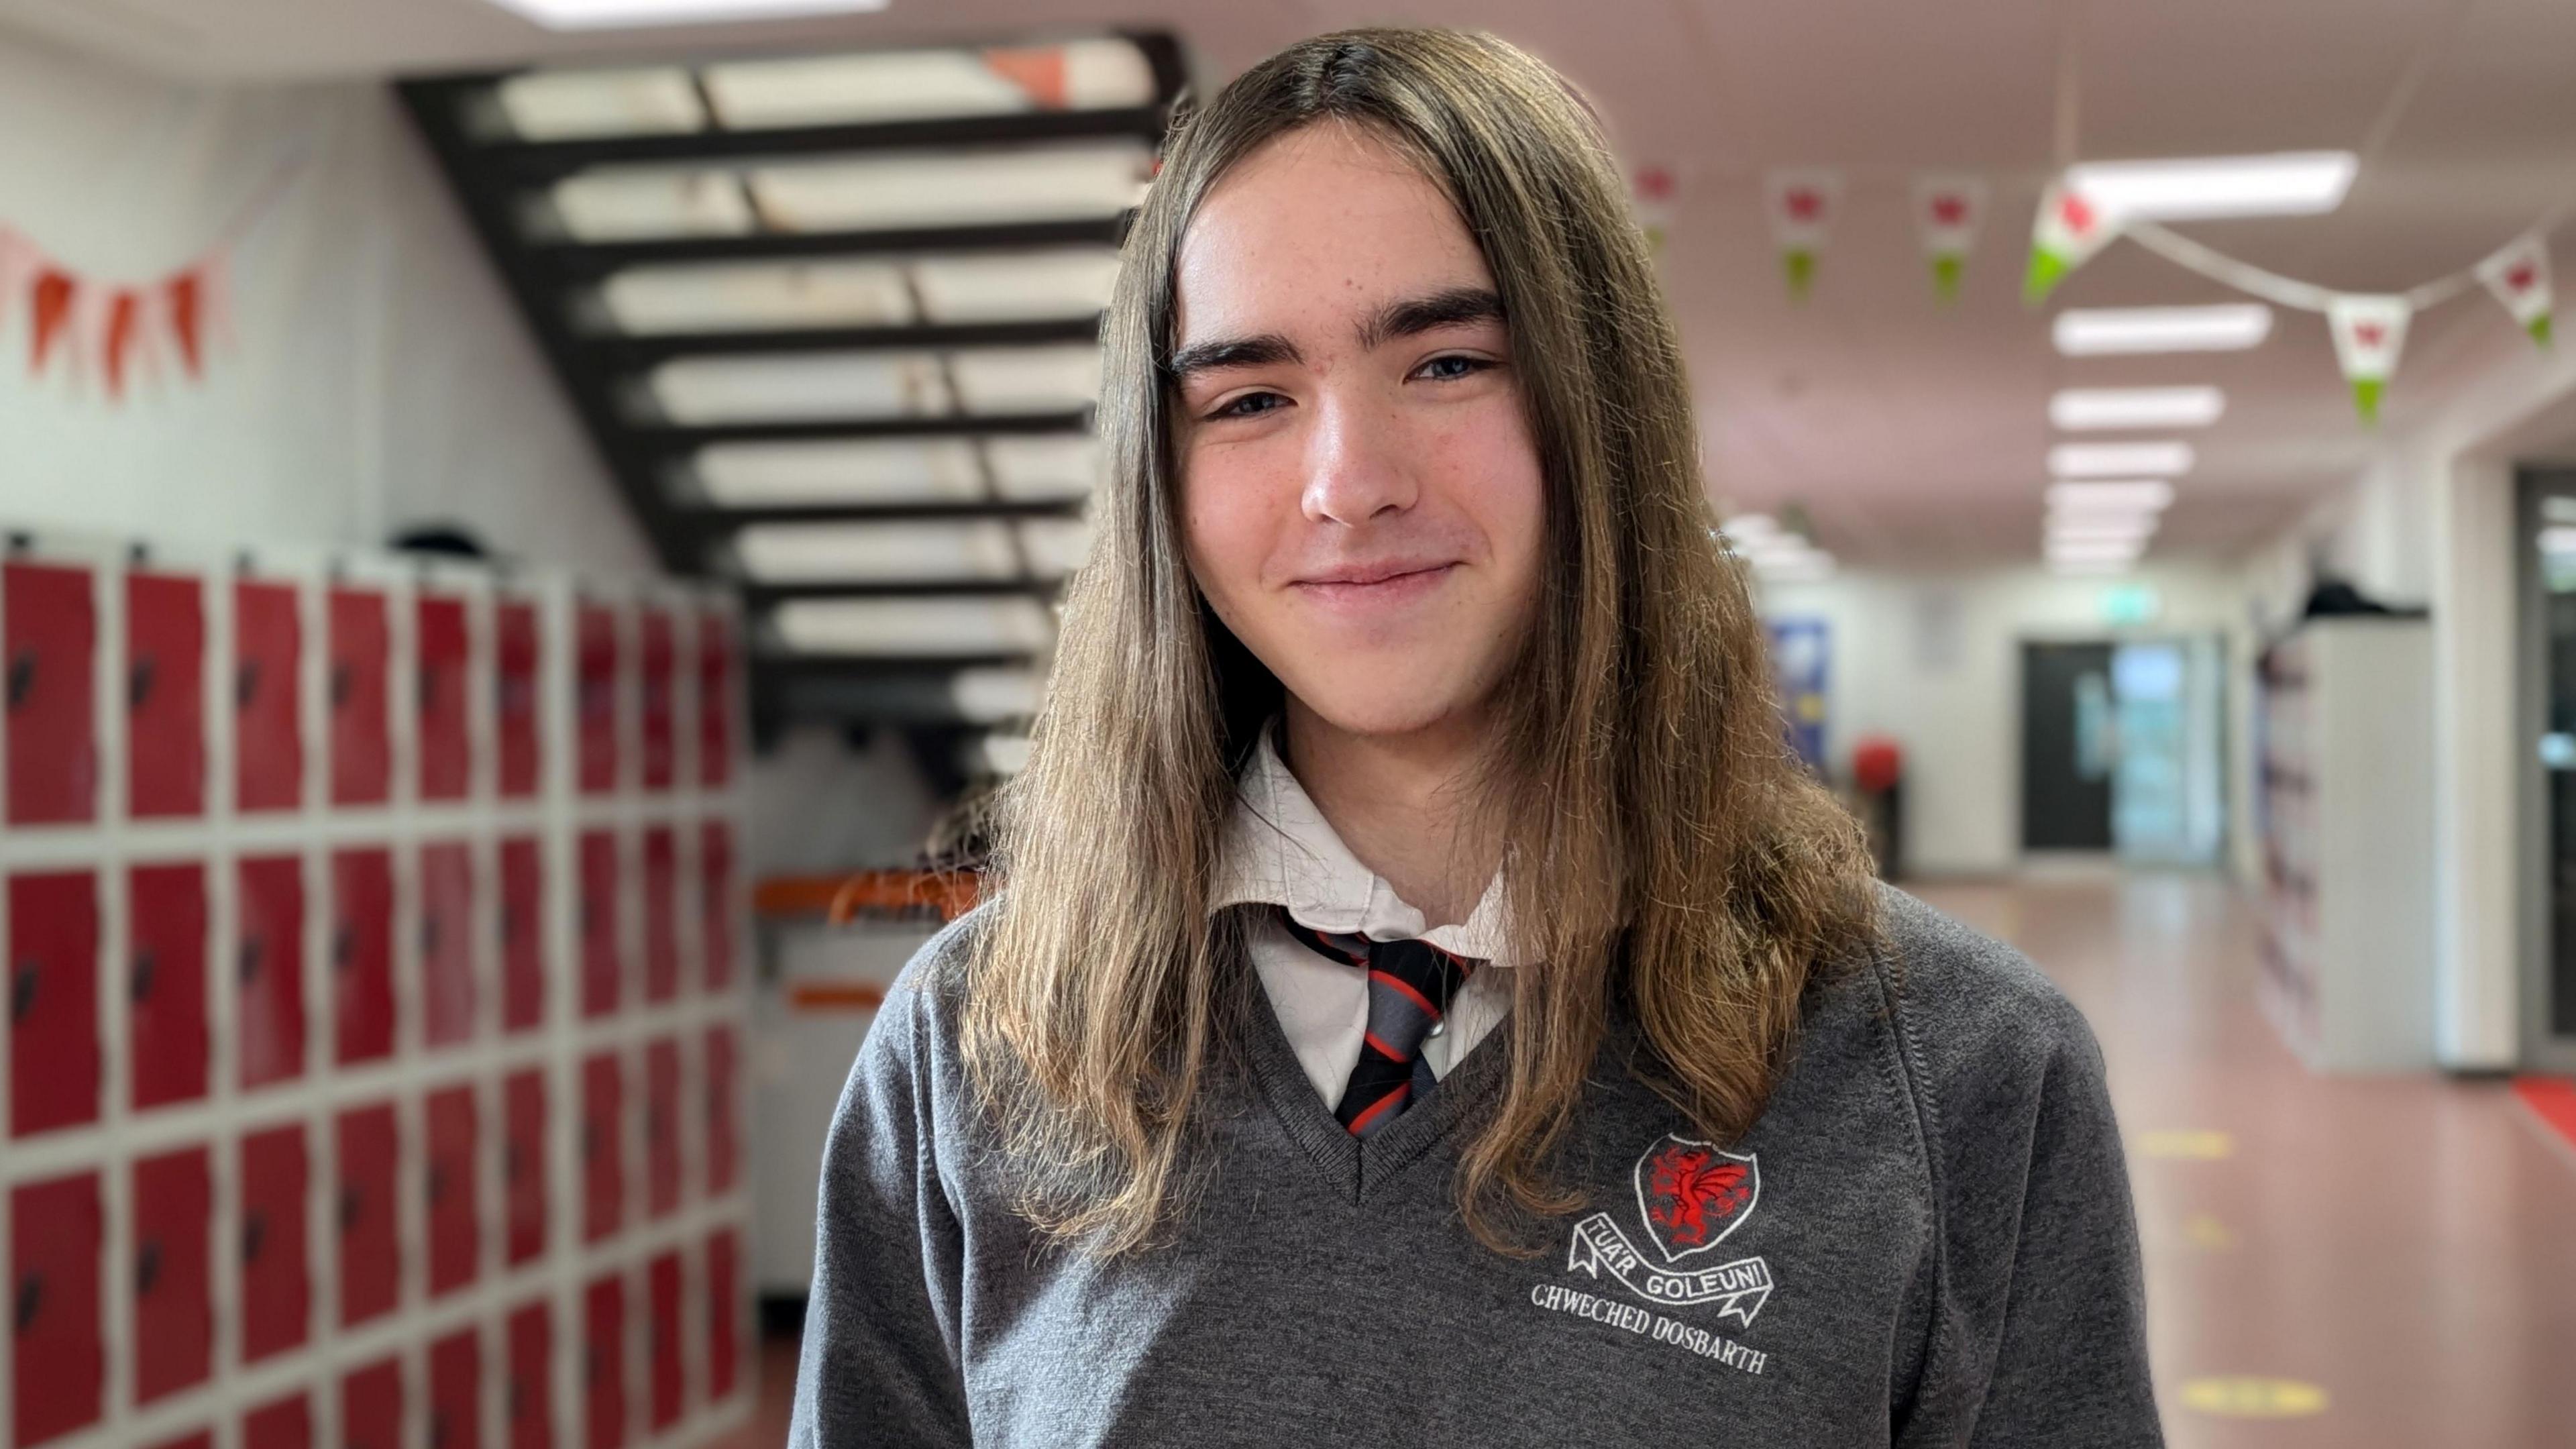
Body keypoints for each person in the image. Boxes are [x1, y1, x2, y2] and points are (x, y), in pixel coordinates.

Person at [790, 27, 2161, 1448]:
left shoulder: (1959, 1073)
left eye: (1448, 363)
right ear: (1164, 485)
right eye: (1251, 398)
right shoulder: (975, 1048)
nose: (1350, 482)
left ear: (1601, 411)